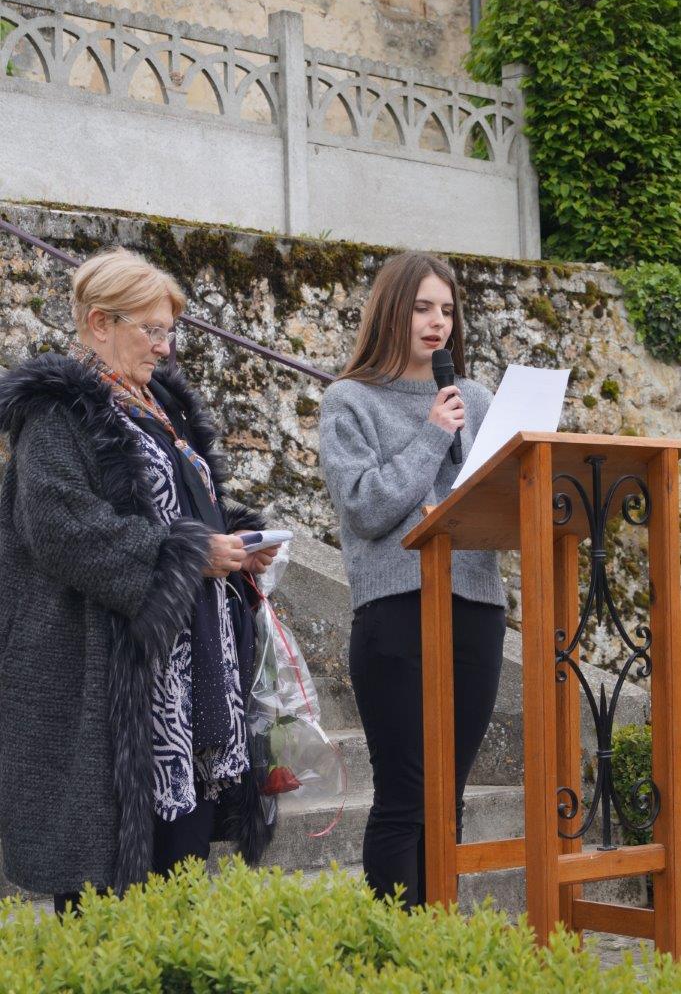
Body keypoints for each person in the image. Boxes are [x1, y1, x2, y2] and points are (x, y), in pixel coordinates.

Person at [0, 247, 277, 913]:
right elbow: (63, 529)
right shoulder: (59, 414)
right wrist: (186, 553)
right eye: (150, 330)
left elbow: (178, 512)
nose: (165, 346)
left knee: (175, 889)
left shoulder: (160, 409)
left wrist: (234, 541)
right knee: (106, 900)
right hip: (105, 686)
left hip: (182, 690)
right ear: (99, 324)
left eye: (169, 330)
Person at [319, 251, 506, 909]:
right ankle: (398, 952)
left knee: (447, 792)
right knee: (406, 793)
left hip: (474, 607)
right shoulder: (350, 401)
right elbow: (366, 506)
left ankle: (439, 946)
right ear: (392, 312)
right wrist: (430, 436)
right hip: (395, 612)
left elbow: (504, 499)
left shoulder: (477, 399)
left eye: (447, 311)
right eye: (423, 308)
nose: (437, 323)